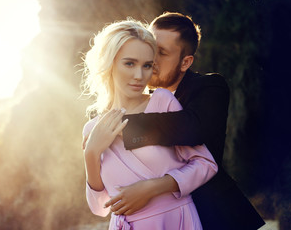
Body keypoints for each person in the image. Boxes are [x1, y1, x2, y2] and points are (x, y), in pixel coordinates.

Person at [105, 12, 266, 230]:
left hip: (213, 215)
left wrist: (117, 126)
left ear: (185, 62)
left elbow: (191, 128)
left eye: (161, 53)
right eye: (150, 48)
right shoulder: (137, 100)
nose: (152, 59)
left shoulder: (210, 87)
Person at [81, 19, 218, 229]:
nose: (139, 76)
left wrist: (151, 188)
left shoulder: (161, 101)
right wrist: (91, 153)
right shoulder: (92, 128)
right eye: (129, 63)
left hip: (176, 221)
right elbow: (100, 208)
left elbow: (205, 164)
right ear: (109, 63)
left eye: (147, 65)